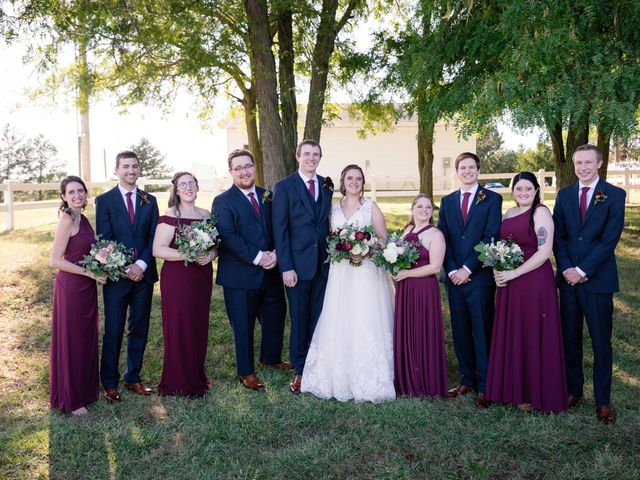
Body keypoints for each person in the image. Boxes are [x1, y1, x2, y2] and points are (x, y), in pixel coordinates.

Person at [301, 165, 395, 402]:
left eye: (358, 179)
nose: (354, 182)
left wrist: (366, 249)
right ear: (343, 182)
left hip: (366, 272)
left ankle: (371, 376)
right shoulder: (332, 209)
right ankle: (336, 374)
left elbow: (383, 238)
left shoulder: (370, 207)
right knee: (339, 317)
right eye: (350, 178)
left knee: (365, 316)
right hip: (341, 272)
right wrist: (344, 249)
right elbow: (329, 239)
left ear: (363, 183)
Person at [553, 144, 626, 424]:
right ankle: (574, 390)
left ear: (599, 163)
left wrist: (583, 269)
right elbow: (559, 236)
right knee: (570, 339)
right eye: (578, 163)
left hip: (598, 281)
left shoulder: (615, 196)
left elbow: (609, 239)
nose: (582, 167)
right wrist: (569, 268)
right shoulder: (565, 195)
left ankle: (603, 401)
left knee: (600, 342)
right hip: (569, 282)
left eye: (587, 162)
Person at [485, 172, 568, 413]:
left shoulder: (540, 212)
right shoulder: (509, 213)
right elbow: (503, 247)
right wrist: (499, 269)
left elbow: (544, 252)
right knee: (516, 330)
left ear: (536, 190)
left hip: (533, 281)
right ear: (513, 191)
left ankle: (534, 392)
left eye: (528, 189)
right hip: (510, 281)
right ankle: (514, 389)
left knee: (532, 331)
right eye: (519, 189)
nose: (523, 193)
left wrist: (514, 273)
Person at [212, 149, 289, 392]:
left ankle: (271, 358)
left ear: (255, 167)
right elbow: (228, 236)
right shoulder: (223, 201)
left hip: (272, 270)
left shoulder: (268, 196)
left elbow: (280, 226)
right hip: (241, 276)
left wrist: (276, 254)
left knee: (276, 315)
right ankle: (246, 371)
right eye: (238, 168)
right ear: (231, 172)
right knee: (243, 326)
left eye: (248, 166)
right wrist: (258, 257)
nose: (244, 171)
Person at [437, 152, 502, 408]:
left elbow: (490, 236)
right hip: (454, 278)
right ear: (457, 171)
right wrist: (453, 269)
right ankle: (466, 379)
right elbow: (445, 237)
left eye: (471, 167)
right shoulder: (448, 201)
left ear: (478, 170)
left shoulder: (492, 199)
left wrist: (467, 268)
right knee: (460, 328)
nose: (467, 171)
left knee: (482, 329)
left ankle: (486, 384)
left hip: (479, 277)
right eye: (462, 168)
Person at [95, 150, 159, 402]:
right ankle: (109, 382)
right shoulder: (105, 201)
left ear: (139, 169)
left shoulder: (149, 200)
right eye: (125, 166)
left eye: (134, 166)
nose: (131, 171)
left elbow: (153, 236)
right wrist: (125, 267)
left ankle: (133, 376)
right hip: (117, 277)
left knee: (139, 327)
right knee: (114, 329)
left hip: (143, 275)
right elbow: (106, 238)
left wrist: (141, 265)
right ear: (117, 169)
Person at [272, 139, 333, 394]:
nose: (311, 158)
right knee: (299, 319)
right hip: (296, 266)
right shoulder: (285, 187)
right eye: (306, 154)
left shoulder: (326, 185)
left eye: (315, 154)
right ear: (298, 156)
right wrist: (286, 266)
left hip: (324, 265)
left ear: (320, 157)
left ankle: (317, 364)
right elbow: (280, 229)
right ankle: (299, 370)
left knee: (319, 318)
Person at [153, 172, 217, 396]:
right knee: (180, 325)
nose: (188, 188)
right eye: (183, 185)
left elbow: (214, 244)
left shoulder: (206, 215)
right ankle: (178, 381)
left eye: (192, 183)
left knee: (198, 325)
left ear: (198, 187)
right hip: (178, 278)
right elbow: (158, 249)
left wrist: (211, 254)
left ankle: (196, 375)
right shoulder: (170, 216)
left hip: (201, 277)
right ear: (177, 190)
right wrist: (186, 254)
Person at [50, 176, 106, 415]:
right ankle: (73, 399)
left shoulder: (81, 217)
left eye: (80, 191)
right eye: (71, 192)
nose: (77, 195)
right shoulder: (67, 218)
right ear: (63, 196)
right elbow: (55, 260)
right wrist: (90, 272)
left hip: (86, 288)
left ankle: (85, 389)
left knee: (85, 336)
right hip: (71, 288)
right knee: (73, 338)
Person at [393, 194, 448, 398]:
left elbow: (434, 267)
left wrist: (406, 273)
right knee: (408, 329)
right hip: (406, 288)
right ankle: (406, 378)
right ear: (412, 208)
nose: (424, 210)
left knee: (422, 330)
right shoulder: (407, 230)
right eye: (420, 206)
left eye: (428, 207)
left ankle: (425, 381)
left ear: (432, 211)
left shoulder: (436, 234)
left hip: (424, 288)